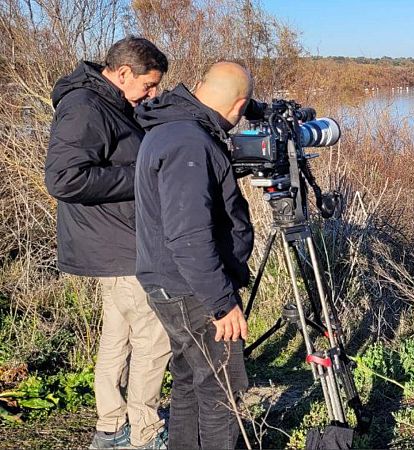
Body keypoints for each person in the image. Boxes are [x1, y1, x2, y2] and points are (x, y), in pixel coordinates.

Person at [44, 37, 171, 449]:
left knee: (117, 336)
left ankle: (112, 426)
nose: (152, 94)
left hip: (114, 242)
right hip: (119, 246)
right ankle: (146, 433)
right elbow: (64, 178)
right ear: (122, 74)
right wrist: (140, 175)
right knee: (153, 339)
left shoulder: (109, 102)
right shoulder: (85, 107)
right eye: (148, 86)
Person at [134, 61, 254, 449]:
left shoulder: (171, 127)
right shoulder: (190, 141)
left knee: (189, 380)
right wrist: (222, 303)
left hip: (170, 286)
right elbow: (188, 236)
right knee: (222, 388)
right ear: (238, 105)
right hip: (192, 291)